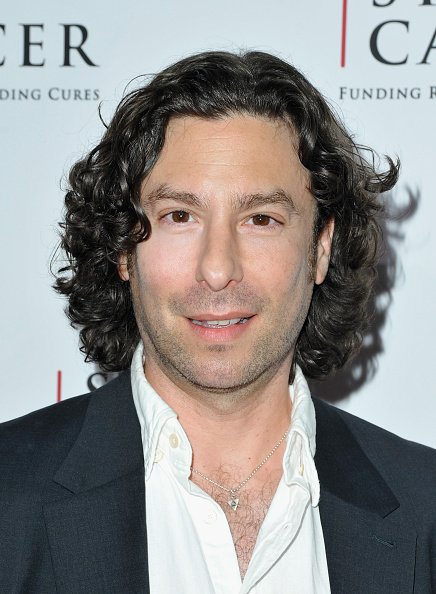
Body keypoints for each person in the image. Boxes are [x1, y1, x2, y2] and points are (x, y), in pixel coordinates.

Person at [0, 50, 435, 594]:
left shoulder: (425, 505)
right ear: (122, 251)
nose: (217, 269)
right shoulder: (7, 498)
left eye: (261, 219)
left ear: (321, 249)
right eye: (179, 216)